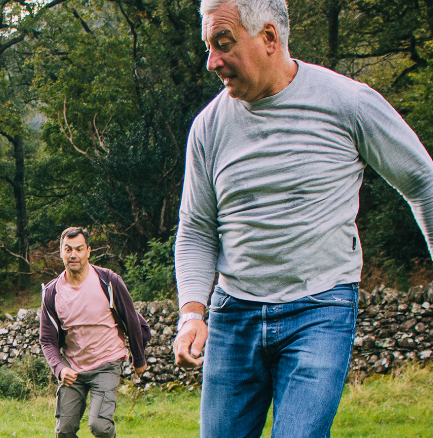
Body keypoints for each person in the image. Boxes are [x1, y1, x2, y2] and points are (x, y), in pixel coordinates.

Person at [172, 0, 433, 437]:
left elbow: (422, 181)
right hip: (235, 313)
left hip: (320, 306)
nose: (212, 61)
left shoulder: (348, 103)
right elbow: (197, 228)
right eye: (208, 46)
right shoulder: (208, 127)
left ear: (269, 38)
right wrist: (192, 313)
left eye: (223, 43)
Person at [40, 227, 151, 438]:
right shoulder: (52, 293)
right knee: (64, 431)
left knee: (99, 425)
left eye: (79, 249)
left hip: (107, 363)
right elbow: (47, 340)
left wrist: (139, 359)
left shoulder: (109, 282)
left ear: (88, 251)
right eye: (68, 249)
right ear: (60, 252)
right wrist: (59, 368)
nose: (74, 255)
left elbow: (132, 321)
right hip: (73, 368)